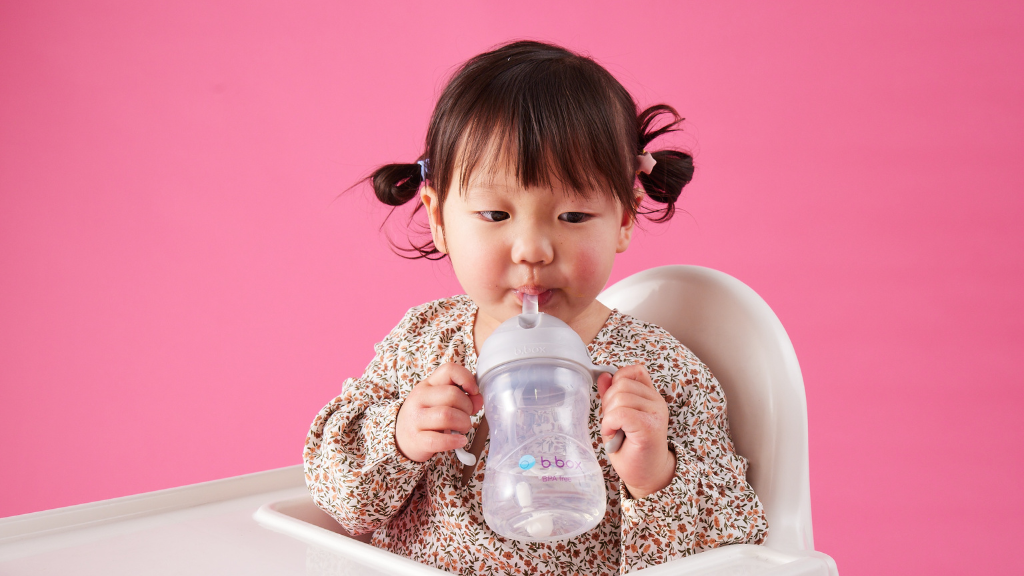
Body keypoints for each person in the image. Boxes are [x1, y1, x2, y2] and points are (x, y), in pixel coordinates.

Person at [304, 40, 768, 575]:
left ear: (623, 219)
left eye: (573, 216)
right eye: (495, 215)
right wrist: (399, 437)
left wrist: (655, 474)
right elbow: (335, 496)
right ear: (437, 217)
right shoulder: (422, 342)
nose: (532, 250)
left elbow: (735, 553)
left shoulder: (660, 376)